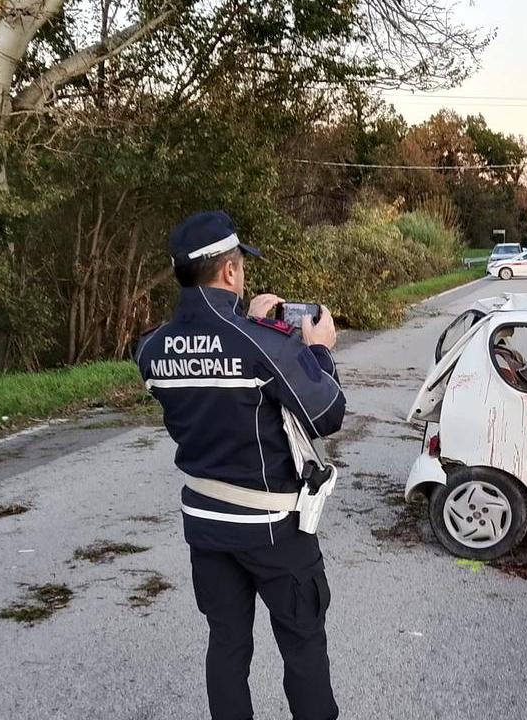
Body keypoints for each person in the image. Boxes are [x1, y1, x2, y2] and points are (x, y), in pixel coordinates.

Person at [135, 210, 345, 720]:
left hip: (205, 524)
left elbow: (213, 360)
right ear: (231, 272)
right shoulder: (260, 342)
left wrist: (250, 322)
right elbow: (326, 413)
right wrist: (317, 351)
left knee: (227, 644)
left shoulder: (151, 348)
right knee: (302, 644)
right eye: (240, 266)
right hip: (273, 527)